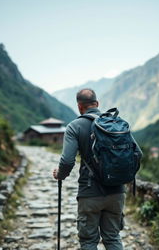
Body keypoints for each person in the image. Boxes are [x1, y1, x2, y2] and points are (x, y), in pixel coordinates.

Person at [53, 88, 142, 250]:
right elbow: (138, 153)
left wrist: (59, 175)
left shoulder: (74, 127)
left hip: (90, 192)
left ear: (79, 106)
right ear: (97, 104)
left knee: (88, 241)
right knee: (113, 237)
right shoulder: (116, 124)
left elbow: (67, 161)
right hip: (116, 192)